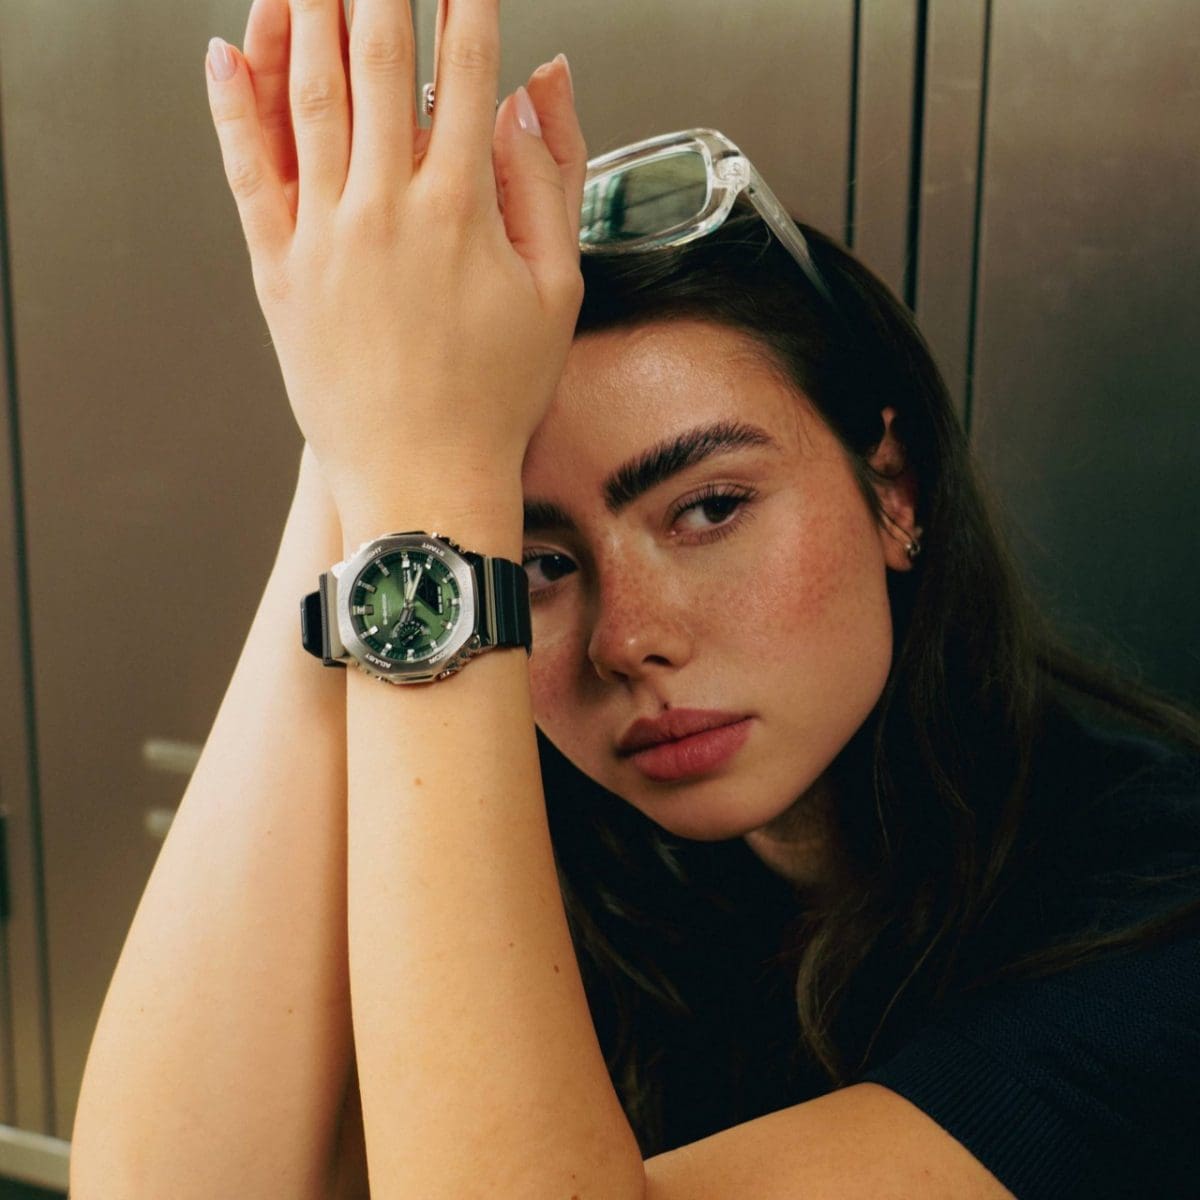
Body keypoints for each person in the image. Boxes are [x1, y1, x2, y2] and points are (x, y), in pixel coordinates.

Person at [70, 0, 1200, 1197]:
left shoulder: (1157, 914)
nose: (630, 641)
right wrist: (360, 434)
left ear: (895, 487)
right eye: (536, 564)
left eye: (710, 509)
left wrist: (419, 470)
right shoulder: (544, 840)